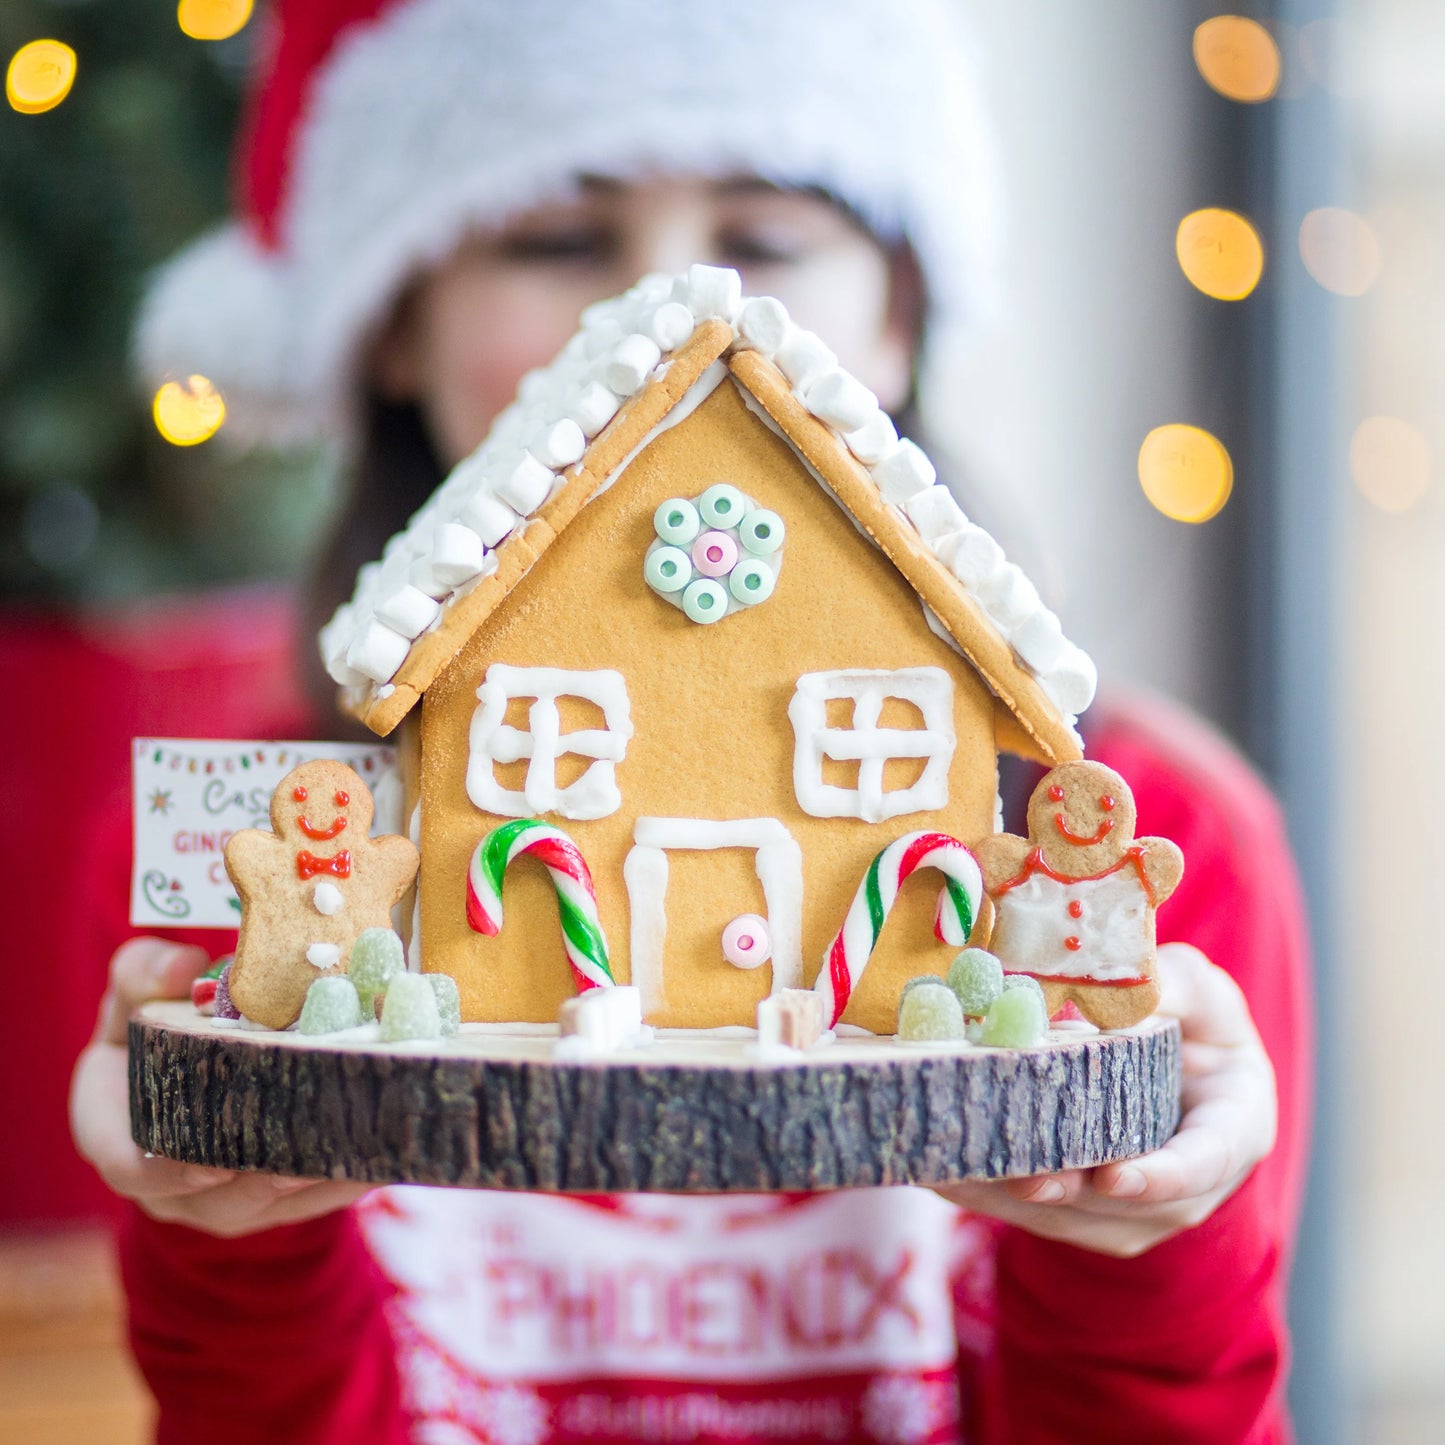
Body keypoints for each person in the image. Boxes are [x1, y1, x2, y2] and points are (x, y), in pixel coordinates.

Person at [70, 3, 1310, 1442]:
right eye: (553, 238)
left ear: (898, 315)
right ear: (398, 323)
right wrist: (235, 1240)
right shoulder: (268, 860)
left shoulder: (1134, 864)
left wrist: (1153, 1248)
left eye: (766, 240)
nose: (670, 305)